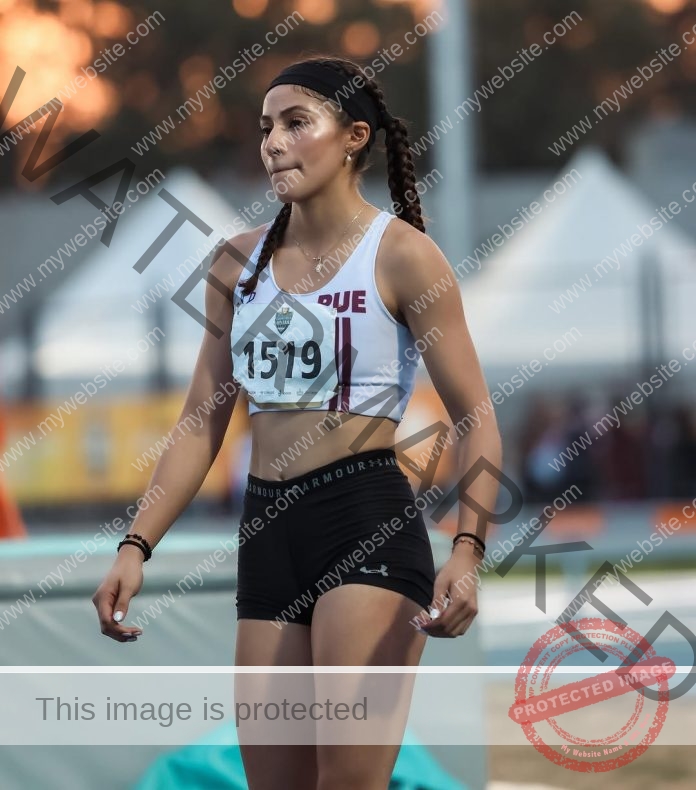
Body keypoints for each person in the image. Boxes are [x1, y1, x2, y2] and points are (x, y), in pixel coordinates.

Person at [92, 55, 503, 790]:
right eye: (265, 128)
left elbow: (476, 419)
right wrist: (135, 544)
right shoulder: (235, 265)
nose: (273, 142)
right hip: (267, 530)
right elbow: (200, 423)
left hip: (366, 522)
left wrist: (467, 552)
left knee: (348, 781)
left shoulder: (405, 257)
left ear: (353, 137)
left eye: (295, 122)